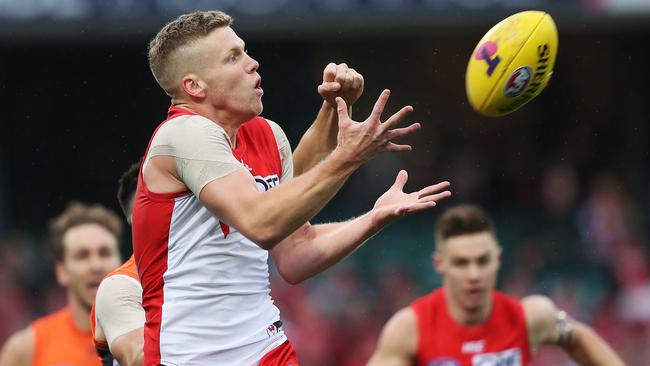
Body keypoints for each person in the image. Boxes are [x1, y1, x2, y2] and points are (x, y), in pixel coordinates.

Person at [134, 9, 451, 366]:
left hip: (268, 351)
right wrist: (347, 157)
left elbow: (295, 255)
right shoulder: (183, 133)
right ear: (194, 87)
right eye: (233, 58)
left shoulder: (269, 135)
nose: (253, 64)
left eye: (246, 51)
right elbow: (261, 224)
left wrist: (374, 217)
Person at [89, 57, 369, 366]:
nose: (252, 63)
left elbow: (282, 196)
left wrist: (332, 112)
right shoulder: (122, 287)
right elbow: (140, 358)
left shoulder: (253, 165)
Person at [367, 204, 626, 366]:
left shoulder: (530, 317)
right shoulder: (409, 328)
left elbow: (576, 336)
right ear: (439, 264)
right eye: (460, 263)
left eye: (482, 261)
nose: (474, 274)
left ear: (498, 259)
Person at [0, 202, 123, 366]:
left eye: (105, 253)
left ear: (121, 263)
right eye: (82, 256)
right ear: (61, 271)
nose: (96, 265)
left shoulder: (150, 339)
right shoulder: (25, 350)